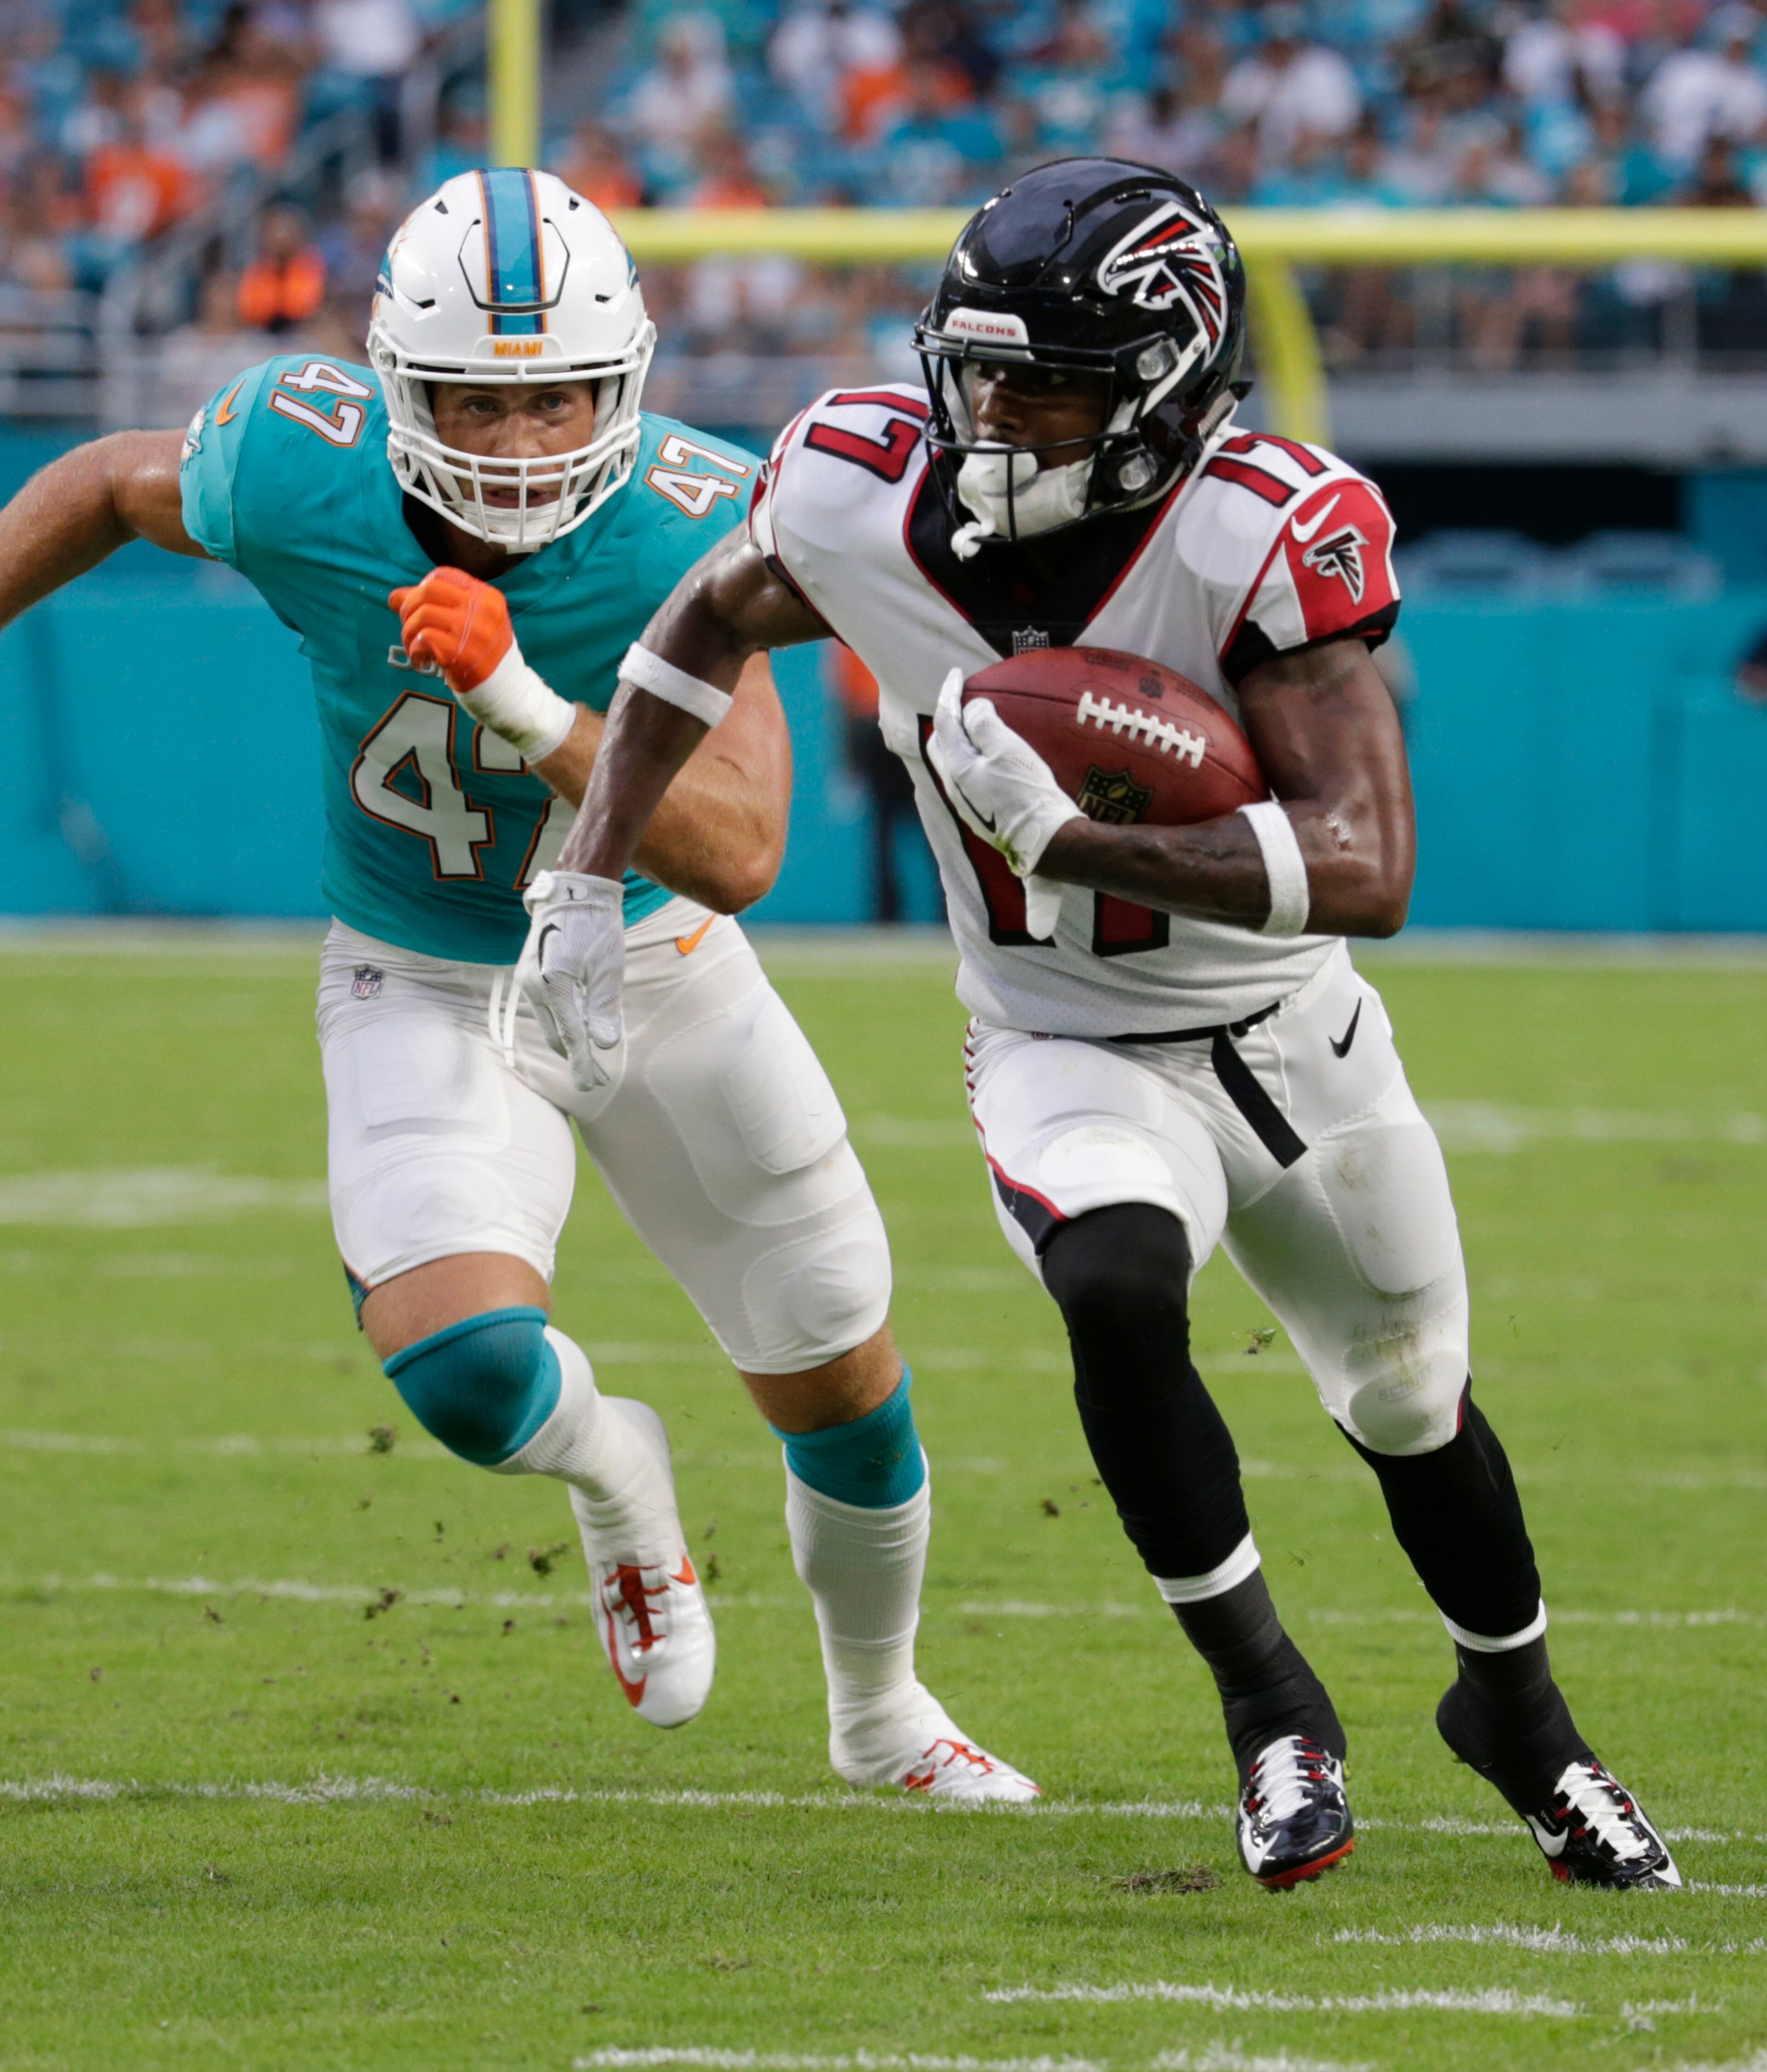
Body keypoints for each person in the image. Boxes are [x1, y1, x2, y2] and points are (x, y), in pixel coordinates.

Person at [519, 157, 1681, 1893]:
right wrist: (585, 874)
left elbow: (1369, 866)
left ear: (1168, 385)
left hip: (1291, 1037)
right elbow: (708, 618)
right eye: (979, 373)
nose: (995, 418)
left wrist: (1075, 843)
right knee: (1118, 1282)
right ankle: (1268, 1703)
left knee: (1409, 1398)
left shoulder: (1256, 528)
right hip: (1058, 1039)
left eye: (1049, 385)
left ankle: (1519, 1717)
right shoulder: (856, 490)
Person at [0, 169, 1034, 1806]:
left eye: (557, 397)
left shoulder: (693, 520)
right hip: (418, 970)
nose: (520, 441)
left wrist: (522, 696)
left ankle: (884, 1709)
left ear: (621, 384)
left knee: (840, 1366)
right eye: (477, 401)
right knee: (468, 1368)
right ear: (401, 390)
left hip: (656, 960)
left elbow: (743, 847)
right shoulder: (296, 464)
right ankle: (621, 1479)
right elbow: (116, 487)